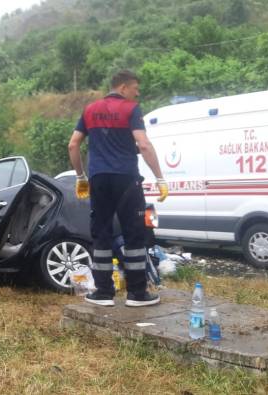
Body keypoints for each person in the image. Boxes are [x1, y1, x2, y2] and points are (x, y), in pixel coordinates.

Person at [68, 70, 168, 307]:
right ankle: (137, 294)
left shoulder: (89, 110)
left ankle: (103, 292)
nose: (137, 93)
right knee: (134, 233)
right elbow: (143, 144)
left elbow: (73, 145)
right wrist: (160, 178)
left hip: (99, 179)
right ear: (123, 87)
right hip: (126, 180)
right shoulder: (131, 109)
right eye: (135, 88)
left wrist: (81, 176)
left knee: (101, 233)